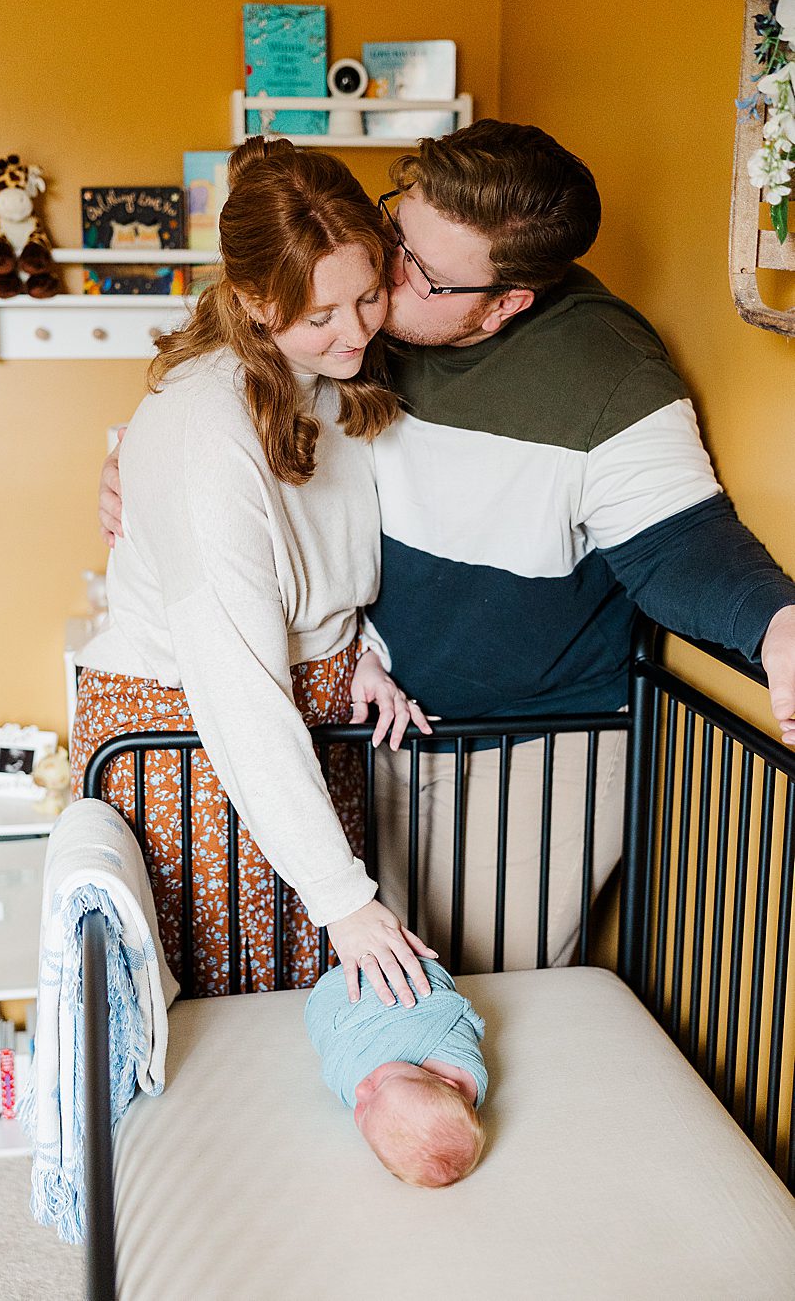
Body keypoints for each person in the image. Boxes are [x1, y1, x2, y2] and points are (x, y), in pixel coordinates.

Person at [99, 119, 795, 974]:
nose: (382, 284)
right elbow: (251, 354)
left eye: (418, 275)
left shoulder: (606, 373)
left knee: (473, 1008)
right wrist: (142, 462)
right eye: (397, 232)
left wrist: (775, 622)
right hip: (357, 741)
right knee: (330, 1004)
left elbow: (677, 540)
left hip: (525, 758)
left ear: (504, 303)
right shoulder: (361, 323)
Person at [73, 135, 436, 1008]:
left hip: (299, 735)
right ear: (252, 302)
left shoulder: (326, 371)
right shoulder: (207, 427)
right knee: (232, 1025)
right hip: (193, 746)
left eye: (369, 294)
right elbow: (234, 684)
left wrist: (359, 652)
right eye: (321, 316)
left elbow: (330, 563)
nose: (355, 332)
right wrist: (343, 898)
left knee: (306, 1011)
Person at [304, 958, 487, 1187]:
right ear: (446, 1082)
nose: (360, 1089)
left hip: (333, 997)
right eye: (380, 1084)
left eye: (363, 1113)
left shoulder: (406, 1098)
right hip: (400, 968)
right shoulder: (465, 1071)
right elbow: (456, 1018)